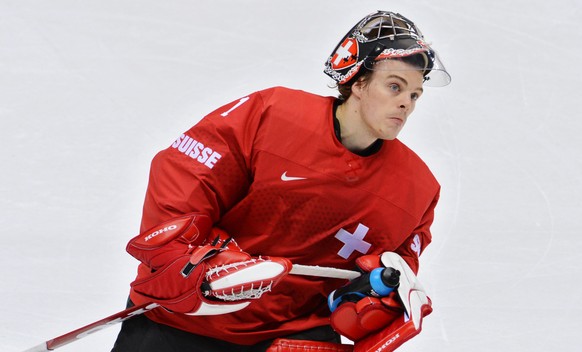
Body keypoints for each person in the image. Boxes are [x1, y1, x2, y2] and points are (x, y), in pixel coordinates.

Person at [112, 10, 451, 352]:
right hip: (187, 318)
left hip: (292, 336)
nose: (406, 103)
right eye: (394, 86)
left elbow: (398, 269)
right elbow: (185, 176)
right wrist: (189, 259)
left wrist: (378, 299)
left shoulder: (418, 189)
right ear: (358, 82)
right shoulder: (272, 115)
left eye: (415, 94)